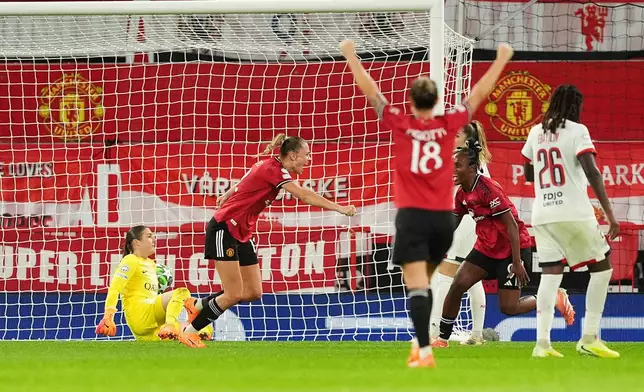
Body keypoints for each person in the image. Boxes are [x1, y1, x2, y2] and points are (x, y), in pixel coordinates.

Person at [340, 39, 514, 367]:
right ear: (437, 102)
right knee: (436, 277)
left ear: (410, 101)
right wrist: (501, 58)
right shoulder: (449, 127)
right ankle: (433, 341)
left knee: (420, 285)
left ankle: (424, 349)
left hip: (412, 218)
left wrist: (351, 56)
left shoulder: (401, 123)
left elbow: (372, 93)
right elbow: (477, 95)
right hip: (443, 221)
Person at [179, 134, 357, 348]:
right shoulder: (271, 169)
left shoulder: (268, 166)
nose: (309, 159)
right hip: (224, 228)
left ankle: (196, 305)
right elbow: (304, 195)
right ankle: (189, 332)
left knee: (253, 291)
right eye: (306, 155)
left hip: (242, 232)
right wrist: (340, 208)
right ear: (292, 155)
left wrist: (228, 193)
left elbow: (246, 179)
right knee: (233, 293)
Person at [433, 144, 575, 347]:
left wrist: (517, 262)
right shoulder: (461, 194)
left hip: (511, 250)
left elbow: (511, 226)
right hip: (485, 248)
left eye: (458, 166)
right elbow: (452, 225)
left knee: (509, 308)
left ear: (472, 168)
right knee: (457, 285)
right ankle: (442, 339)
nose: (453, 170)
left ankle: (553, 296)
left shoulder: (488, 189)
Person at [521, 84, 620, 358]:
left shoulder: (535, 131)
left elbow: (528, 172)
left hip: (542, 214)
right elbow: (593, 172)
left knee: (551, 275)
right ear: (576, 107)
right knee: (603, 269)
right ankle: (589, 337)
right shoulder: (578, 131)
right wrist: (610, 215)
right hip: (573, 212)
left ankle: (542, 345)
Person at [429, 120, 490, 346]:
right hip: (477, 220)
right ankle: (476, 335)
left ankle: (434, 332)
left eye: (456, 136)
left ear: (465, 140)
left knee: (446, 273)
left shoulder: (458, 159)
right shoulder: (478, 159)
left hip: (465, 220)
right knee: (472, 278)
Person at [95, 226, 213, 341]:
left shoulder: (151, 264)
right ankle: (170, 324)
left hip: (149, 327)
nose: (154, 239)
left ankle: (178, 331)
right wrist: (108, 316)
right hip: (140, 315)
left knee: (200, 326)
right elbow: (115, 288)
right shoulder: (130, 260)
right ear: (137, 243)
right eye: (149, 236)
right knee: (182, 292)